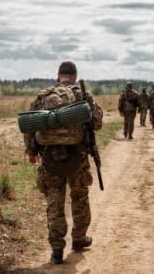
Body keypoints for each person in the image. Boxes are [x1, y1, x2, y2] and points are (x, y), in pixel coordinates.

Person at [24, 61, 103, 264]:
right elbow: (97, 123)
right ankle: (79, 239)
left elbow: (31, 125)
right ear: (74, 76)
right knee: (80, 198)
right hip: (78, 156)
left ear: (58, 75)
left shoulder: (43, 96)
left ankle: (57, 249)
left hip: (50, 157)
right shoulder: (82, 95)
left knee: (54, 202)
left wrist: (32, 151)